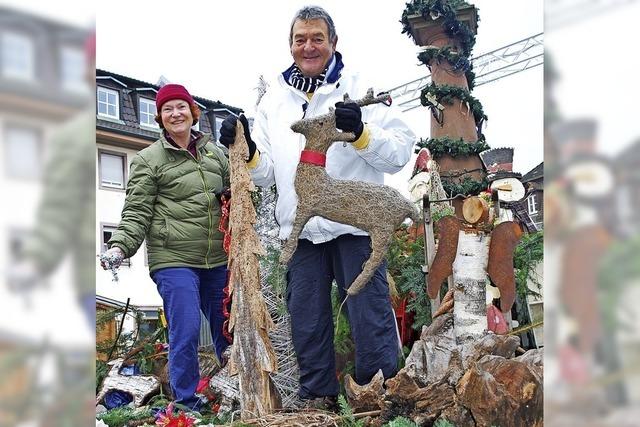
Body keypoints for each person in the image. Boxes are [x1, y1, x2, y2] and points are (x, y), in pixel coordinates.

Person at [219, 5, 415, 407]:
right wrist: (248, 149)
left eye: (317, 38)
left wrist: (361, 133)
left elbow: (399, 154)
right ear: (290, 45)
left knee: (369, 315)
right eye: (300, 39)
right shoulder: (275, 99)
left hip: (354, 228)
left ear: (333, 43)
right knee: (307, 321)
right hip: (302, 230)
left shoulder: (363, 86)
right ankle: (317, 400)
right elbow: (265, 172)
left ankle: (379, 399)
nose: (308, 47)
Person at [101, 83, 231, 410]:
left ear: (192, 112)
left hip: (217, 257)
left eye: (181, 107)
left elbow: (239, 193)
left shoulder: (216, 154)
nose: (176, 114)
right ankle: (186, 401)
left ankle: (234, 390)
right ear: (160, 117)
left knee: (229, 331)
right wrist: (120, 247)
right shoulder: (149, 159)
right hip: (174, 259)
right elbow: (137, 209)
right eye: (167, 109)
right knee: (186, 328)